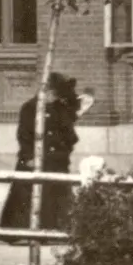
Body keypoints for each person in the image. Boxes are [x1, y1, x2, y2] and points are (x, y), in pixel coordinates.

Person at [36, 73, 82, 235]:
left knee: (59, 195)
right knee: (43, 196)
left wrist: (64, 149)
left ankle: (60, 228)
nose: (51, 95)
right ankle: (43, 229)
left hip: (58, 160)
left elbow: (70, 136)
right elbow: (25, 135)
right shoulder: (32, 108)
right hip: (42, 159)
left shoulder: (62, 109)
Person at [0, 90, 39, 236]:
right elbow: (23, 134)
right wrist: (28, 157)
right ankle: (16, 232)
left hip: (45, 158)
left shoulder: (54, 107)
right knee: (22, 195)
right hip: (29, 159)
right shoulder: (30, 107)